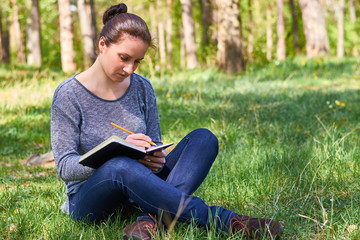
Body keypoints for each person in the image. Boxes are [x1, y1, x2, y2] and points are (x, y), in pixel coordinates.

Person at [51, 3, 282, 240]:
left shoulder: (142, 88)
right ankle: (225, 221)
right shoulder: (69, 95)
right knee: (119, 165)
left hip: (141, 189)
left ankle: (149, 221)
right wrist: (115, 151)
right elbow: (65, 168)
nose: (130, 69)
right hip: (90, 200)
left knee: (204, 138)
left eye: (137, 61)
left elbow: (155, 146)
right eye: (124, 58)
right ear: (102, 44)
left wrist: (155, 158)